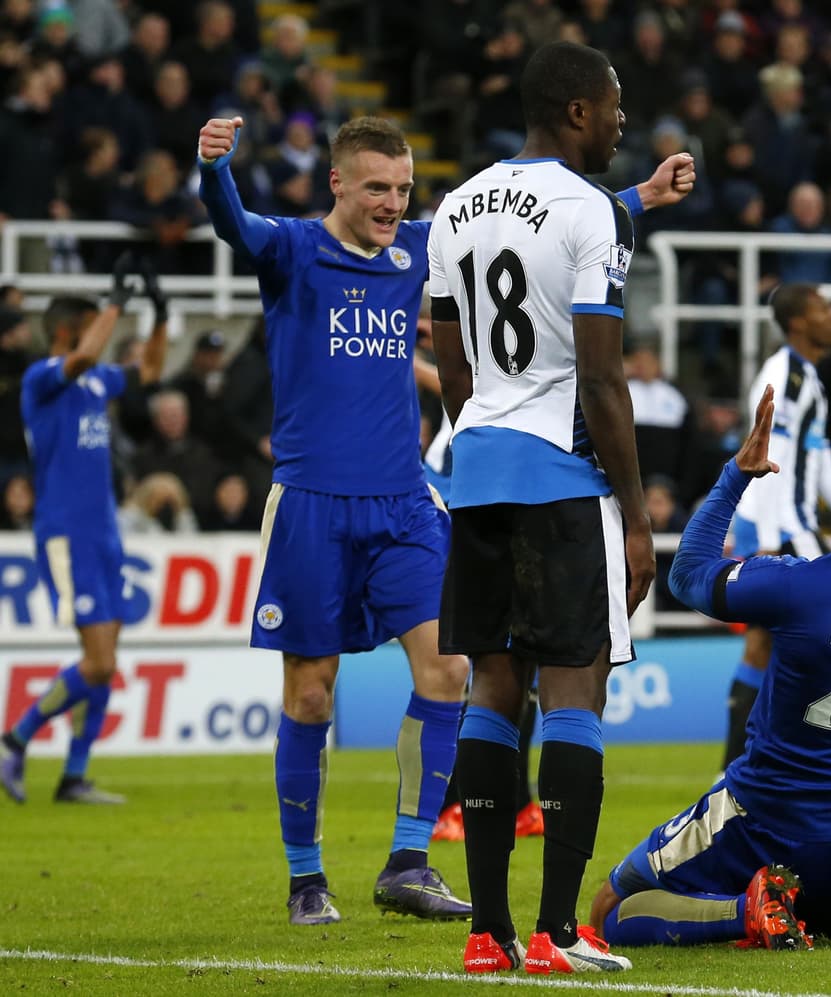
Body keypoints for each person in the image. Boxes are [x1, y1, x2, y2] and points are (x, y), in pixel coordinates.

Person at [198, 108, 693, 929]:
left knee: (450, 671)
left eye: (402, 188)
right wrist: (214, 169)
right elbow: (231, 225)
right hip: (313, 502)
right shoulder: (290, 249)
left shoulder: (419, 249)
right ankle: (305, 876)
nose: (393, 203)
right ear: (337, 183)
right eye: (376, 189)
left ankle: (408, 858)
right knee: (312, 693)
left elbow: (522, 234)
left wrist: (637, 195)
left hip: (404, 501)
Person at [428, 41, 694, 976]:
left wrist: (484, 433)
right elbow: (603, 375)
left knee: (493, 691)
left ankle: (486, 936)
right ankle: (557, 932)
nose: (624, 121)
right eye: (615, 106)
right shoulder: (588, 211)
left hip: (479, 468)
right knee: (577, 689)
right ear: (577, 110)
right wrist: (634, 513)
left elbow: (452, 359)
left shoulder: (454, 208)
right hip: (562, 478)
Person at [588, 385, 831, 951]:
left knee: (609, 912)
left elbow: (688, 572)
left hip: (766, 822)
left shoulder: (800, 588)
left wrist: (737, 474)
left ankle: (743, 913)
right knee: (824, 903)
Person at [1, 254, 167, 806]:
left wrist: (161, 316)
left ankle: (73, 777)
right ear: (69, 330)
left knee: (108, 660)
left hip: (103, 532)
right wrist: (118, 301)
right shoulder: (41, 379)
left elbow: (149, 373)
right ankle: (14, 739)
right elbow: (88, 353)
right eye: (94, 320)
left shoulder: (95, 383)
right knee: (97, 661)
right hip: (66, 534)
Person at [726, 284, 831, 773]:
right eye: (823, 307)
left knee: (795, 641)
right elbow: (766, 460)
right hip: (776, 528)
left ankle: (772, 759)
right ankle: (738, 766)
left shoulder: (809, 380)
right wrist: (771, 542)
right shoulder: (784, 376)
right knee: (767, 643)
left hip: (797, 530)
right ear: (798, 322)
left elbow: (820, 467)